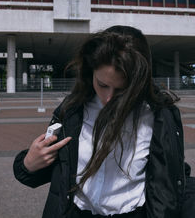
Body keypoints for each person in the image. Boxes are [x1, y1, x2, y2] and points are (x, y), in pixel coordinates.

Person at [13, 25, 185, 218]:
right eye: (102, 84)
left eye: (122, 90)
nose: (108, 98)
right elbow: (56, 169)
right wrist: (28, 163)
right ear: (90, 71)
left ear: (138, 83)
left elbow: (168, 181)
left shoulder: (160, 115)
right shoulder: (73, 109)